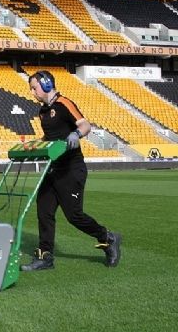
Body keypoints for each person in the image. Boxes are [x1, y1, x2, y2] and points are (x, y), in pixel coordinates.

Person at [21, 70, 121, 271]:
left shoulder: (64, 103)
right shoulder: (42, 112)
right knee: (44, 211)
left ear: (46, 84)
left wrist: (76, 134)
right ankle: (45, 256)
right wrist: (36, 144)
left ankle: (108, 237)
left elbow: (85, 125)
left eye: (34, 88)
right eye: (30, 89)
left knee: (74, 215)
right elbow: (50, 137)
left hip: (71, 169)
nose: (32, 92)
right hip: (53, 169)